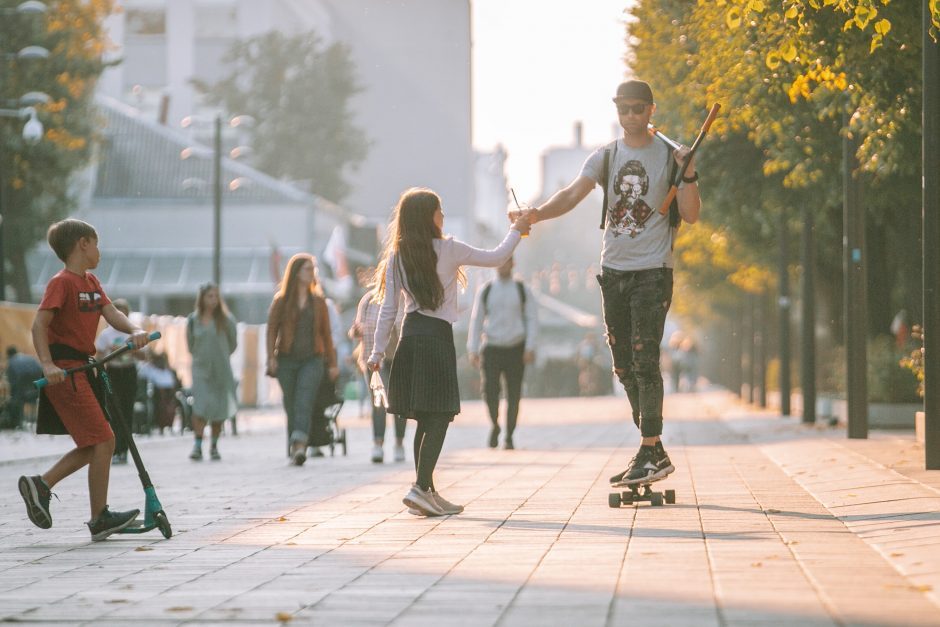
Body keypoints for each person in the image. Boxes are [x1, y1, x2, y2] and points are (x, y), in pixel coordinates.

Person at [524, 80, 701, 487]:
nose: (631, 116)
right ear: (617, 111)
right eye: (624, 109)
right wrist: (535, 214)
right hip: (613, 271)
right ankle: (652, 450)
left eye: (638, 108)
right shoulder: (606, 157)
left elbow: (690, 214)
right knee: (622, 364)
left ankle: (648, 445)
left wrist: (688, 173)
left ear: (651, 110)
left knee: (645, 359)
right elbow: (571, 195)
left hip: (653, 271)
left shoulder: (671, 157)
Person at [368, 187, 531, 517]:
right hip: (437, 338)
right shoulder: (449, 249)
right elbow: (496, 256)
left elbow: (388, 310)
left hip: (411, 338)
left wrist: (376, 352)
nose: (443, 216)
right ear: (428, 216)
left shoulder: (398, 256)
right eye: (439, 210)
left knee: (424, 418)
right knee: (439, 415)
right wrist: (518, 230)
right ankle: (419, 487)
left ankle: (425, 492)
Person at [19, 218, 148, 541]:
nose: (99, 251)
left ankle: (41, 484)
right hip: (65, 371)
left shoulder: (91, 283)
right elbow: (39, 326)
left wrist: (136, 332)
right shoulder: (61, 283)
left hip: (83, 370)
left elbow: (112, 314)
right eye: (97, 243)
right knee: (104, 441)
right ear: (83, 244)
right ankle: (99, 517)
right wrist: (47, 364)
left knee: (96, 444)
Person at [266, 253, 338, 466]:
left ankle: (299, 446)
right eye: (308, 269)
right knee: (291, 403)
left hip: (312, 360)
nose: (312, 273)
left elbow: (326, 334)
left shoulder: (319, 302)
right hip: (286, 360)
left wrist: (332, 363)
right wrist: (271, 357)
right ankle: (294, 444)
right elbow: (271, 330)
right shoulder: (281, 301)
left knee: (304, 400)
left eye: (313, 269)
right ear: (296, 273)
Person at [467, 255, 538, 450]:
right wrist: (472, 349)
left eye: (506, 261)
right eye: (499, 262)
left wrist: (530, 347)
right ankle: (495, 425)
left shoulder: (522, 290)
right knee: (490, 391)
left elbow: (532, 319)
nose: (502, 266)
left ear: (512, 264)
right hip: (491, 348)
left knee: (514, 394)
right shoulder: (487, 290)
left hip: (516, 347)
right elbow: (477, 320)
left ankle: (509, 435)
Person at [350, 273, 407, 464]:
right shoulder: (368, 300)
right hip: (373, 359)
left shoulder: (404, 299)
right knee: (378, 402)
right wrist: (357, 330)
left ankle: (399, 443)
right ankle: (378, 444)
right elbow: (356, 328)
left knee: (398, 402)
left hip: (398, 357)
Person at [186, 283, 238, 461]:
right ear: (202, 298)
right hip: (201, 370)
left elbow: (233, 344)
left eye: (216, 296)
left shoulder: (226, 320)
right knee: (200, 407)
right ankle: (198, 445)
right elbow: (191, 345)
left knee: (218, 408)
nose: (213, 300)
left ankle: (214, 445)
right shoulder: (193, 320)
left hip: (221, 369)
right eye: (210, 296)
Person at [94, 299, 138, 463]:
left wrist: (130, 350)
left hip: (128, 371)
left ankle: (124, 449)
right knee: (112, 410)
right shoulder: (106, 334)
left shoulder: (132, 331)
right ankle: (114, 448)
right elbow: (98, 356)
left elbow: (145, 355)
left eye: (123, 311)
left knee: (127, 411)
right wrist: (109, 352)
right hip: (112, 372)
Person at [3, 347, 42, 430]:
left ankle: (18, 423)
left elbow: (12, 383)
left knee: (15, 400)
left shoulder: (11, 362)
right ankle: (34, 422)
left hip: (22, 392)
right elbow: (41, 371)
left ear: (9, 355)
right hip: (37, 391)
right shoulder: (30, 358)